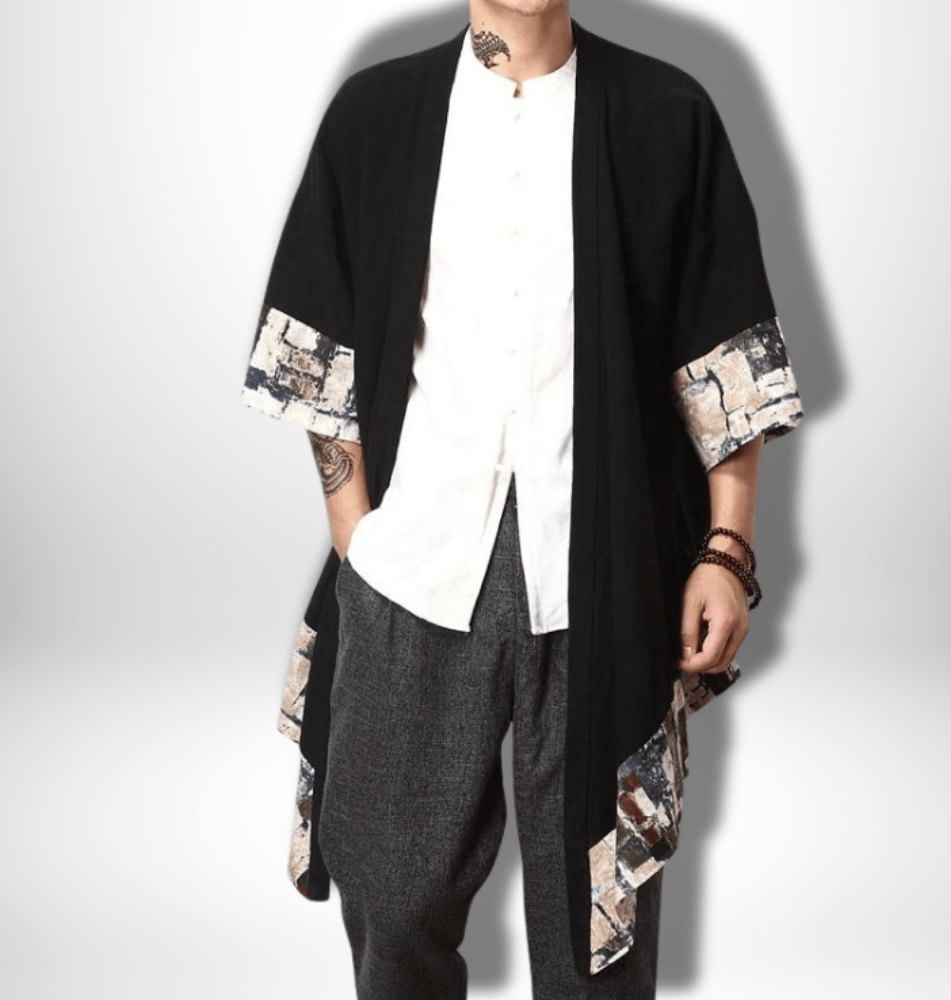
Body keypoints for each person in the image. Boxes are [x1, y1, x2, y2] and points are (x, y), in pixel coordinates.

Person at [241, 1, 803, 997]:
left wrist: (726, 549)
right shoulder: (377, 113)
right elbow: (317, 344)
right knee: (393, 901)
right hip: (415, 567)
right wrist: (356, 535)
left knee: (596, 931)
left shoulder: (666, 114)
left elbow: (723, 348)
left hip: (602, 579)